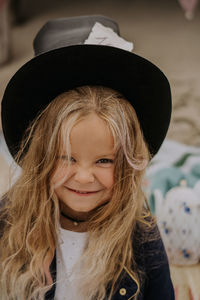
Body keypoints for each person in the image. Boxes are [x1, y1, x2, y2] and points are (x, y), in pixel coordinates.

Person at [0, 15, 174, 300]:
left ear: (128, 162)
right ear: (40, 157)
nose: (83, 176)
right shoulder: (9, 220)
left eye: (104, 160)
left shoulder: (141, 236)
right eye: (66, 158)